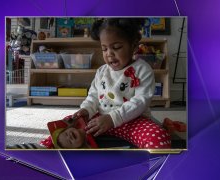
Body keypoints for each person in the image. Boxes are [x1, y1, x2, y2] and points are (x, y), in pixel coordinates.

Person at [71, 18, 171, 149]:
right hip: (100, 119)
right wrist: (86, 110)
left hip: (133, 121)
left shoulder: (143, 69)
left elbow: (141, 101)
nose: (109, 54)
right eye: (104, 49)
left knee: (159, 136)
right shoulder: (101, 71)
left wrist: (113, 118)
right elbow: (93, 96)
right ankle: (43, 150)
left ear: (134, 47)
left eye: (116, 47)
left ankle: (155, 167)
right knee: (68, 125)